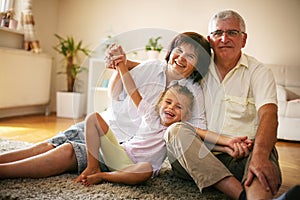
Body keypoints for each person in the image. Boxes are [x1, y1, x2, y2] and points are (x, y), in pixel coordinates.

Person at [0, 32, 213, 179]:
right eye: (179, 50)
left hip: (124, 149)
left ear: (198, 66)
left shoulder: (192, 92)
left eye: (191, 56)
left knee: (66, 152)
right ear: (171, 51)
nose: (181, 58)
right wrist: (119, 65)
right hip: (107, 123)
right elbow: (116, 92)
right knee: (48, 145)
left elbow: (195, 130)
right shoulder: (150, 67)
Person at [164, 10, 282, 200]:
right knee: (175, 132)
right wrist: (125, 63)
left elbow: (269, 115)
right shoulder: (197, 66)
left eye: (232, 33)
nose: (224, 38)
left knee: (261, 166)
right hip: (199, 154)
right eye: (218, 33)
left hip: (245, 153)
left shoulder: (259, 71)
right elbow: (164, 69)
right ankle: (239, 194)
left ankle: (245, 189)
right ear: (210, 40)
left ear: (243, 39)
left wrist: (259, 155)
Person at [75, 83, 195, 186]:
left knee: (146, 168)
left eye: (178, 107)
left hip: (135, 170)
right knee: (93, 117)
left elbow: (197, 136)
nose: (171, 108)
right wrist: (122, 65)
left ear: (186, 116)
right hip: (120, 155)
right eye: (168, 102)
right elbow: (133, 92)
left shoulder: (177, 131)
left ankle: (103, 176)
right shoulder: (150, 115)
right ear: (159, 104)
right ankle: (92, 167)